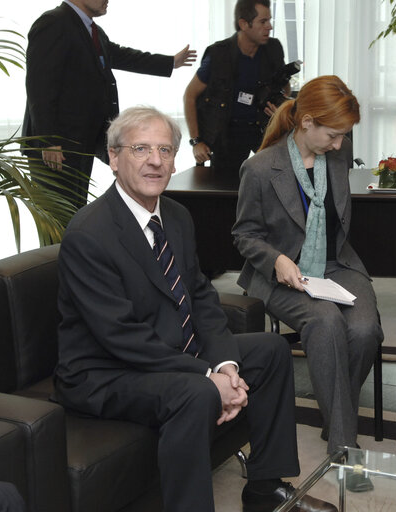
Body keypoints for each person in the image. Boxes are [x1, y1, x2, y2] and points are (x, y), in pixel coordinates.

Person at [53, 106, 335, 512]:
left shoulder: (178, 217)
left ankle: (264, 489)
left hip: (168, 351)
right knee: (196, 392)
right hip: (104, 371)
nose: (155, 160)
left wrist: (226, 366)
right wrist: (206, 374)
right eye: (141, 149)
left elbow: (201, 299)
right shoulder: (89, 234)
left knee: (271, 352)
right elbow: (120, 336)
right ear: (114, 159)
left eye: (165, 150)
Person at [232, 76, 384, 488]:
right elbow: (243, 235)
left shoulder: (337, 152)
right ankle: (343, 448)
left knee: (366, 329)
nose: (340, 146)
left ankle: (337, 415)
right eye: (333, 135)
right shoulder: (260, 168)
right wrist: (277, 259)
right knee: (326, 323)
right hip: (284, 272)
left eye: (344, 137)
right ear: (307, 123)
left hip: (337, 265)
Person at [22, 0, 197, 208]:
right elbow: (39, 86)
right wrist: (48, 141)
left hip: (79, 146)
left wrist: (170, 62)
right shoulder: (53, 23)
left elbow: (123, 56)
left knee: (73, 215)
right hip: (56, 148)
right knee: (57, 219)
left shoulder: (92, 31)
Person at [183, 0, 287, 188]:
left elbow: (283, 86)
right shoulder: (218, 54)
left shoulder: (273, 49)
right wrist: (196, 141)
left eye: (269, 21)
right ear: (243, 24)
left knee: (277, 182)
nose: (269, 27)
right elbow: (190, 96)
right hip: (226, 134)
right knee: (225, 192)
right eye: (263, 22)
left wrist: (279, 105)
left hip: (262, 129)